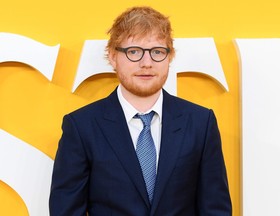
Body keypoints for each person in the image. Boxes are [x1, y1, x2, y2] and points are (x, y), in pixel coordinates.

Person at [49, 6, 232, 216]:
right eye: (134, 52)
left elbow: (216, 209)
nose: (147, 63)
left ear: (169, 57)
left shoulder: (201, 123)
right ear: (112, 56)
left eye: (157, 52)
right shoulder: (82, 127)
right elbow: (66, 211)